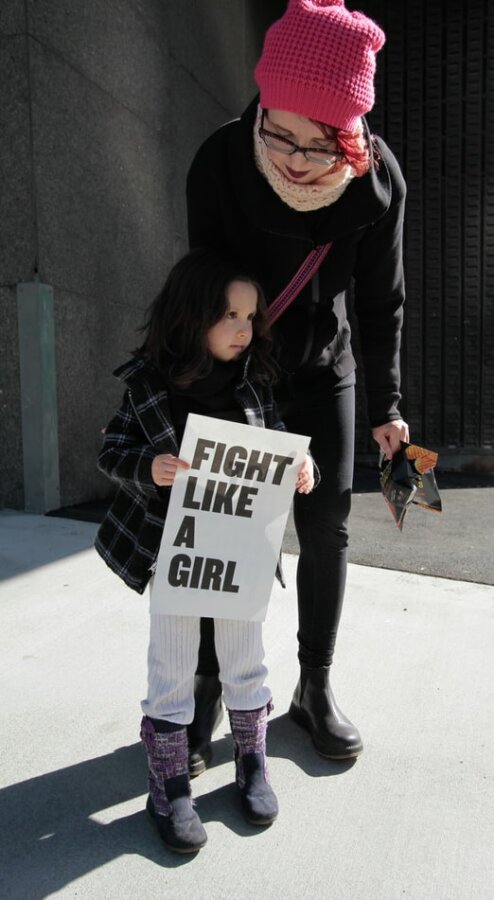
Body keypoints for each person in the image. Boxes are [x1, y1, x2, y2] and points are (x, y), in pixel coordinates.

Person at [185, 0, 409, 766]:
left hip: (324, 367)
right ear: (262, 104)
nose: (293, 156)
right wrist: (209, 396)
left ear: (352, 136)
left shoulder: (378, 185)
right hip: (239, 369)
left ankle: (314, 685)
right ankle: (208, 684)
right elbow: (202, 292)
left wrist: (389, 407)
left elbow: (382, 302)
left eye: (320, 143)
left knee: (327, 525)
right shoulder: (220, 162)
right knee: (226, 529)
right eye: (279, 131)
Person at [94, 249, 315, 853]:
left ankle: (251, 763)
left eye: (251, 317)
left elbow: (276, 445)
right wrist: (150, 465)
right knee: (172, 666)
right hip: (175, 549)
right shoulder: (146, 385)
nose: (245, 329)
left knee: (246, 659)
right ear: (192, 317)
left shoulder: (255, 381)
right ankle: (167, 783)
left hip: (243, 547)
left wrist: (302, 465)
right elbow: (109, 452)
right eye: (229, 316)